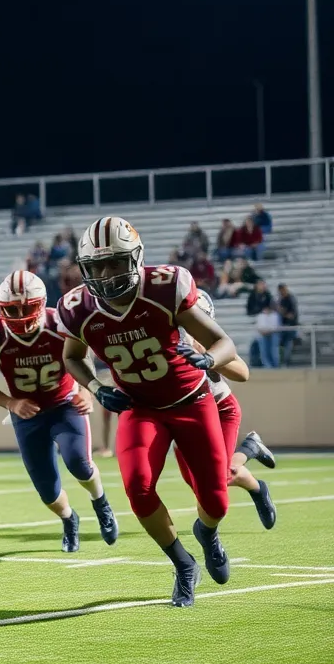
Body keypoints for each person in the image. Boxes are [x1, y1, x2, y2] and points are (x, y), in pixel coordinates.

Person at [60, 217, 243, 608]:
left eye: (115, 263)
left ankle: (207, 533)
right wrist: (95, 388)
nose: (106, 275)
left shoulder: (165, 288)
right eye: (97, 266)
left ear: (136, 259)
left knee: (216, 502)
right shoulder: (77, 308)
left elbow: (224, 342)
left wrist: (208, 358)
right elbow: (72, 357)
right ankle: (182, 563)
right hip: (139, 408)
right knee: (138, 488)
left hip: (192, 401)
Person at [0, 270, 118, 551]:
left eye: (27, 307)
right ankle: (68, 518)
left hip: (65, 404)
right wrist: (11, 403)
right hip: (28, 416)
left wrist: (87, 391)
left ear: (41, 303)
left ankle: (100, 502)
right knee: (48, 491)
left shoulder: (60, 324)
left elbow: (80, 358)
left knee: (79, 463)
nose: (20, 315)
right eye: (11, 309)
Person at [172, 290, 276, 529]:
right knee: (197, 483)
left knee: (215, 479)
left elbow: (242, 372)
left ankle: (208, 533)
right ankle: (255, 477)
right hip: (184, 417)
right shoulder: (165, 335)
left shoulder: (207, 339)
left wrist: (209, 357)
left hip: (220, 410)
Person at [254, 301, 282, 369]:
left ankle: (275, 365)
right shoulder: (260, 316)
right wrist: (264, 332)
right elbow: (259, 327)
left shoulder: (275, 315)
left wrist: (268, 331)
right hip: (263, 335)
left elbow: (275, 327)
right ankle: (267, 365)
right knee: (263, 350)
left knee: (274, 350)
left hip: (272, 334)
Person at [276, 284, 299, 366]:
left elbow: (292, 315)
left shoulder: (290, 299)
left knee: (288, 344)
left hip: (290, 326)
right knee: (282, 344)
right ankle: (282, 361)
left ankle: (286, 362)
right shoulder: (281, 299)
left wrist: (282, 312)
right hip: (283, 326)